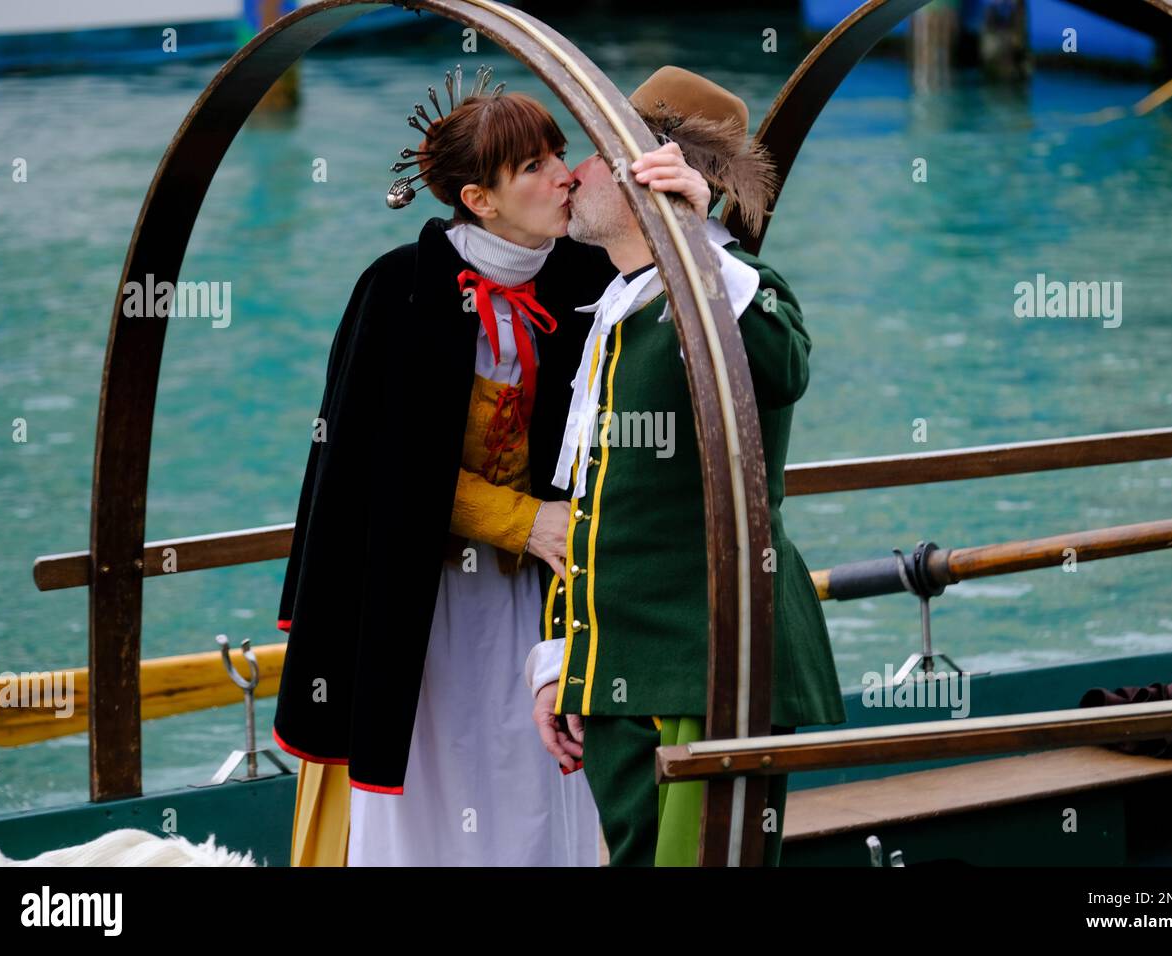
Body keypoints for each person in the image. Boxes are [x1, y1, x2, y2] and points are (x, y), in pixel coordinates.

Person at [271, 65, 712, 866]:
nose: (564, 175)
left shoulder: (584, 274)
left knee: (547, 776)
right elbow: (378, 470)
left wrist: (690, 206)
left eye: (557, 152)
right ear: (481, 200)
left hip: (545, 599)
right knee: (446, 773)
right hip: (423, 598)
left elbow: (702, 314)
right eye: (534, 167)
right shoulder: (398, 291)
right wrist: (523, 521)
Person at [525, 66, 846, 866]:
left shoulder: (738, 287)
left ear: (653, 172)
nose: (572, 174)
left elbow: (781, 365)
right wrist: (565, 662)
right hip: (621, 671)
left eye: (595, 154)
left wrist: (695, 236)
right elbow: (600, 511)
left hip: (710, 666)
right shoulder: (619, 307)